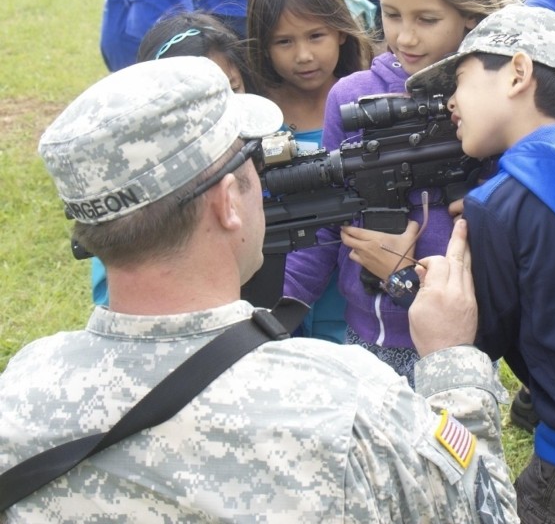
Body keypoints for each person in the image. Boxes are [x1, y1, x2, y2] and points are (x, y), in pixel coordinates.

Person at [0, 55, 518, 522]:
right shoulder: (356, 407)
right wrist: (452, 363)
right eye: (253, 158)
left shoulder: (18, 398)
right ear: (228, 201)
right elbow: (484, 508)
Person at [408, 3, 555, 523]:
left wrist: (427, 284)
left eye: (461, 80)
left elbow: (481, 339)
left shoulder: (496, 207)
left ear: (517, 73)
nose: (450, 102)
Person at [284, 0, 519, 386]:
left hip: (459, 343)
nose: (405, 37)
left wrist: (405, 271)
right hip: (368, 339)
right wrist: (272, 316)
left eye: (427, 19)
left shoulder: (497, 103)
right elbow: (324, 226)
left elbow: (511, 249)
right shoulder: (350, 98)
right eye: (391, 14)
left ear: (470, 14)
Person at [247, 0, 372, 343]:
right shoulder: (254, 113)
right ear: (263, 46)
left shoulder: (366, 102)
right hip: (270, 296)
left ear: (340, 32)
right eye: (284, 41)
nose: (303, 55)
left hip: (353, 301)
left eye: (315, 35)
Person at [91, 10, 256, 306]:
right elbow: (112, 296)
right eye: (201, 103)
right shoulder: (134, 189)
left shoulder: (272, 140)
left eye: (232, 89)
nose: (225, 111)